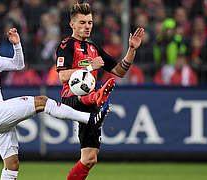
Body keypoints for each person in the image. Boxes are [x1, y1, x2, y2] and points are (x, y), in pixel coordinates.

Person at [0, 23, 112, 180]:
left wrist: (17, 45)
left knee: (12, 165)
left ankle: (90, 119)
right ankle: (89, 119)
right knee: (42, 101)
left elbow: (18, 64)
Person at [55, 3, 144, 180]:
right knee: (90, 95)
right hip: (72, 98)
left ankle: (97, 98)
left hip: (90, 106)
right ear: (72, 25)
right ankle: (97, 97)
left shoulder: (94, 48)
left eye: (89, 22)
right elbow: (63, 76)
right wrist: (89, 66)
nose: (87, 26)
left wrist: (131, 50)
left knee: (90, 158)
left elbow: (120, 71)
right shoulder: (67, 46)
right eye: (82, 22)